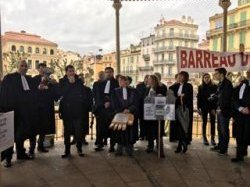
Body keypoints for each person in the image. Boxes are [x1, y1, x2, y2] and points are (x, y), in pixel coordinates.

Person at [0, 60, 39, 167]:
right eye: (22, 65)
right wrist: (2, 110)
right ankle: (8, 159)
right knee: (10, 136)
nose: (24, 68)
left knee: (20, 136)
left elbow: (35, 92)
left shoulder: (29, 79)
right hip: (11, 112)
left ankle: (21, 154)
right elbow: (3, 94)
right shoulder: (9, 78)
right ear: (17, 67)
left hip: (24, 114)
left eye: (26, 66)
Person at [59, 65, 87, 158]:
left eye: (73, 71)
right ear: (66, 72)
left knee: (78, 131)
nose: (72, 73)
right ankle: (67, 150)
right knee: (67, 132)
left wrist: (76, 83)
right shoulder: (62, 81)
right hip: (67, 111)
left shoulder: (79, 81)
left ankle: (79, 149)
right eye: (70, 71)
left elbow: (82, 93)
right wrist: (69, 84)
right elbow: (62, 93)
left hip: (78, 110)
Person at [33, 63, 59, 153]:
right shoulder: (34, 79)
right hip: (36, 109)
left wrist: (55, 84)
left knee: (43, 128)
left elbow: (56, 95)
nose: (43, 70)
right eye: (41, 68)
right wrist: (38, 87)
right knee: (34, 128)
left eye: (44, 68)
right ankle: (31, 148)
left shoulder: (50, 81)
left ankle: (40, 145)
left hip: (47, 108)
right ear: (38, 70)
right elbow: (31, 92)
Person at [94, 67, 119, 152]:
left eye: (110, 72)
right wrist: (103, 103)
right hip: (102, 109)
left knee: (112, 128)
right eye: (106, 72)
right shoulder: (101, 83)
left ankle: (112, 145)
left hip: (112, 109)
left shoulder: (116, 83)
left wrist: (110, 103)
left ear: (113, 73)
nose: (108, 74)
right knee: (101, 128)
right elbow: (98, 95)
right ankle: (100, 144)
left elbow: (117, 96)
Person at [111, 76, 137, 156]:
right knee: (119, 131)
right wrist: (121, 110)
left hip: (130, 113)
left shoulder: (133, 91)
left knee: (130, 131)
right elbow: (114, 103)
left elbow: (136, 102)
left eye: (122, 80)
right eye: (119, 81)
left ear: (126, 81)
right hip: (119, 114)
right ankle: (119, 148)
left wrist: (129, 110)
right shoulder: (115, 91)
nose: (120, 82)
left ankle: (129, 148)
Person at [211, 68, 233, 155]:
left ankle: (224, 149)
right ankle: (220, 146)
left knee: (224, 130)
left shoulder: (227, 84)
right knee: (220, 129)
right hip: (219, 110)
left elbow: (227, 98)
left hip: (224, 111)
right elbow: (219, 95)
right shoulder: (220, 83)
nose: (214, 75)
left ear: (222, 74)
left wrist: (221, 108)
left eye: (216, 73)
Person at [170, 71, 193, 153]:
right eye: (178, 76)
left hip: (184, 109)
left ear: (185, 77)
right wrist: (179, 96)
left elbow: (187, 96)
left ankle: (183, 143)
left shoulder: (188, 85)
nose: (179, 78)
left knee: (183, 127)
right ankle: (181, 144)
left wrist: (179, 97)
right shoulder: (176, 86)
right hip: (176, 109)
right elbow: (170, 91)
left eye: (181, 76)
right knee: (178, 127)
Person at [144, 75, 166, 158]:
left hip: (158, 113)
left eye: (149, 79)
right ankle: (150, 146)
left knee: (158, 131)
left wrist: (159, 97)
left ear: (153, 80)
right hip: (149, 112)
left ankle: (160, 148)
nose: (147, 80)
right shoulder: (147, 88)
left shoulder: (161, 87)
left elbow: (163, 98)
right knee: (150, 130)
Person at [231, 69, 250, 162]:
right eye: (248, 72)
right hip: (240, 114)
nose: (248, 74)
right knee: (240, 134)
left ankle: (244, 151)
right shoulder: (241, 85)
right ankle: (240, 155)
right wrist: (240, 108)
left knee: (247, 135)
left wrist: (248, 109)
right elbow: (235, 99)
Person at [197, 73, 217, 146]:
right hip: (203, 107)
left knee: (212, 123)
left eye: (208, 77)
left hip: (212, 108)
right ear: (203, 79)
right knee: (204, 122)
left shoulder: (215, 86)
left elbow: (215, 98)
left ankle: (212, 138)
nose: (206, 79)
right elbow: (199, 98)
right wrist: (198, 108)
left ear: (210, 78)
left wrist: (214, 109)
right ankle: (204, 138)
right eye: (205, 78)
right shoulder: (200, 87)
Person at [79, 74, 93, 145]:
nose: (81, 80)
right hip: (76, 110)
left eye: (82, 79)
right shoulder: (74, 89)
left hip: (84, 109)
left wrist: (89, 107)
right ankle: (76, 138)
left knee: (84, 125)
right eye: (80, 79)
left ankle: (83, 138)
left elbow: (90, 99)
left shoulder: (87, 89)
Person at [93, 71, 105, 145]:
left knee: (104, 125)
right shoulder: (95, 84)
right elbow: (94, 94)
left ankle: (103, 140)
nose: (101, 76)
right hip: (98, 107)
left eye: (102, 75)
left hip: (105, 107)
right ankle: (99, 140)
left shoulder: (106, 83)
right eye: (100, 75)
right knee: (98, 125)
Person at [136, 75, 149, 140]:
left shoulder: (151, 86)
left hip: (148, 107)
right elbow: (138, 96)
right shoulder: (139, 86)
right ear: (144, 79)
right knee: (141, 122)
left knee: (148, 122)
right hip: (141, 106)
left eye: (148, 79)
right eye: (146, 79)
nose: (147, 80)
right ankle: (142, 135)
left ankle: (147, 135)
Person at [169, 74, 180, 142]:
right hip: (173, 107)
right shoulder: (171, 87)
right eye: (179, 78)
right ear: (175, 78)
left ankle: (179, 137)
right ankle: (173, 137)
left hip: (180, 107)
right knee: (173, 123)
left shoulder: (184, 86)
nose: (180, 79)